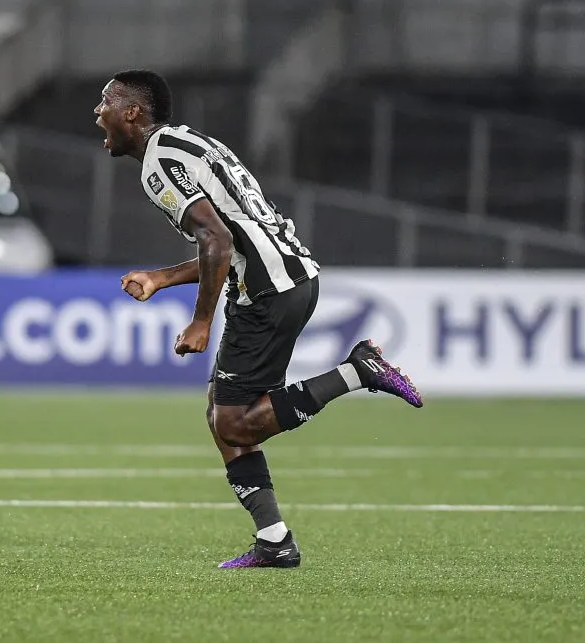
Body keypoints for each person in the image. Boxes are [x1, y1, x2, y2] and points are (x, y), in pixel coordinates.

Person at [94, 70, 422, 569]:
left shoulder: (159, 162)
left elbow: (218, 242)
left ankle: (358, 371)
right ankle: (274, 540)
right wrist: (162, 278)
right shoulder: (189, 144)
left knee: (234, 423)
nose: (98, 112)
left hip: (266, 293)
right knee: (221, 416)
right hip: (287, 279)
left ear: (132, 112)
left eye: (106, 102)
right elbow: (232, 241)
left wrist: (201, 320)